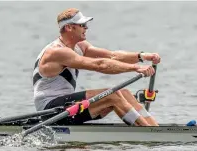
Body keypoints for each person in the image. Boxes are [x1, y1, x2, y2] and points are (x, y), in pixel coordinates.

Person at [33, 8, 161, 126]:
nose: (86, 28)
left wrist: (142, 56)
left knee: (125, 94)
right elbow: (100, 65)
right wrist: (136, 68)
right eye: (82, 25)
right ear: (69, 28)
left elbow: (112, 56)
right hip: (51, 112)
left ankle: (153, 129)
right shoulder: (57, 52)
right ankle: (148, 132)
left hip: (66, 105)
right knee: (113, 95)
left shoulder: (80, 46)